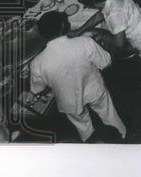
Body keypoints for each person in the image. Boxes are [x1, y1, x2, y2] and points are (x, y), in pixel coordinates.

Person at [29, 11, 126, 142]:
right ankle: (120, 136)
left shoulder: (37, 63)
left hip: (68, 101)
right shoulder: (84, 42)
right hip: (94, 90)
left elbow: (37, 90)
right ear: (65, 26)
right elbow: (106, 62)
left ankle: (92, 145)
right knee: (108, 114)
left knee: (83, 126)